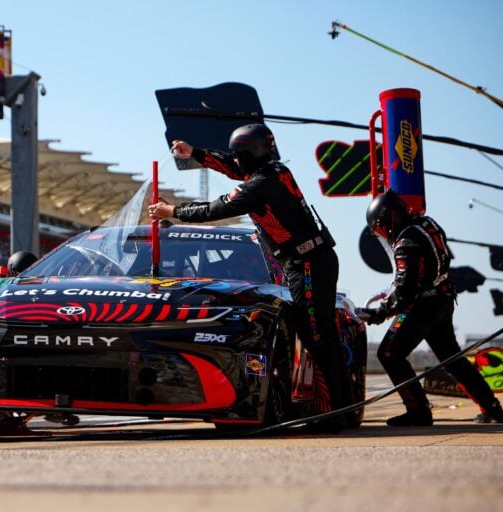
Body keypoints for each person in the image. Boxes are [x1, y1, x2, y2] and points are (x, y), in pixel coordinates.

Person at [149, 123, 352, 432]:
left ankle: (336, 414)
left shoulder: (257, 186)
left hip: (308, 263)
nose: (235, 160)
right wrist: (197, 154)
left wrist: (172, 210)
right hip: (313, 259)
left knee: (318, 339)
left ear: (246, 154)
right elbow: (234, 168)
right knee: (323, 337)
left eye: (238, 155)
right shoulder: (273, 171)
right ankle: (344, 409)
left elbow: (214, 209)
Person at [357, 190, 503, 426]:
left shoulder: (405, 243)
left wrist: (377, 314)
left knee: (388, 353)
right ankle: (492, 408)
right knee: (451, 358)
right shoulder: (427, 224)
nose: (385, 235)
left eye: (381, 229)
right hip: (443, 300)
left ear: (388, 220)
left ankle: (419, 411)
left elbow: (405, 294)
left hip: (424, 306)